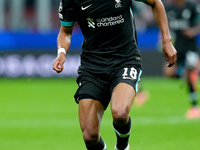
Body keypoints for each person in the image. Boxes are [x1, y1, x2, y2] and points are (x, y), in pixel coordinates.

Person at [53, 0, 177, 149]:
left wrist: (166, 39)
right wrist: (61, 53)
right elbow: (65, 31)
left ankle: (122, 146)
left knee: (120, 113)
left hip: (125, 59)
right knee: (90, 136)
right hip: (93, 66)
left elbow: (155, 3)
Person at [164, 0, 200, 119]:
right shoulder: (169, 9)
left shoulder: (191, 7)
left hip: (190, 47)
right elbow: (166, 25)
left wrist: (193, 31)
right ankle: (187, 76)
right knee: (168, 73)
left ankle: (194, 106)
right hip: (176, 47)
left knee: (190, 73)